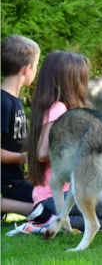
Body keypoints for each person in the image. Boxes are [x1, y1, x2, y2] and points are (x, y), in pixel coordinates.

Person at [26, 50, 102, 229]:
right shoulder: (59, 109)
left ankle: (53, 217)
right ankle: (47, 219)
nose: (84, 85)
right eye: (82, 79)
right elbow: (41, 153)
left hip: (75, 188)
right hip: (54, 195)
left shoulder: (66, 109)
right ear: (71, 81)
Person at [1, 35, 40, 217]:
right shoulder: (3, 103)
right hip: (7, 182)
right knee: (48, 208)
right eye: (36, 65)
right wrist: (25, 158)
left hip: (17, 178)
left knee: (52, 196)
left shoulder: (15, 100)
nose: (36, 70)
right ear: (27, 69)